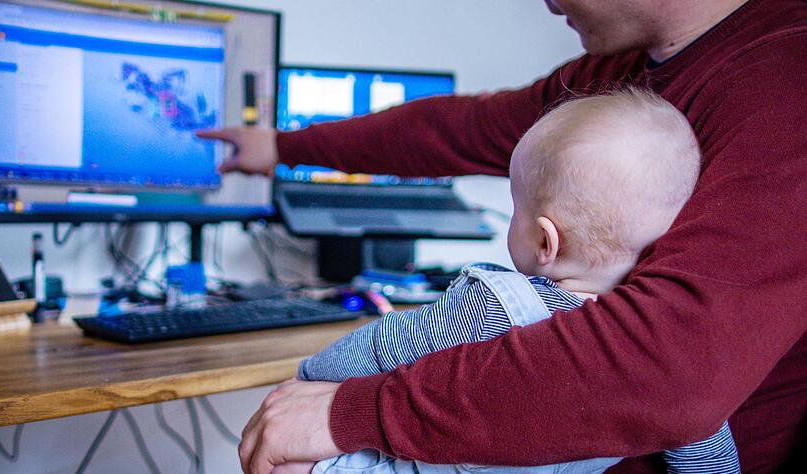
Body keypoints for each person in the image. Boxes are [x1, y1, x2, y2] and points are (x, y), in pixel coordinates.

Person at [199, 0, 807, 472]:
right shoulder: (620, 74)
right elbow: (458, 130)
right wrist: (282, 147)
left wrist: (344, 410)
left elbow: (672, 374)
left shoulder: (785, 82)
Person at [281, 89, 739, 474]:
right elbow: (707, 450)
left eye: (516, 207)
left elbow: (382, 347)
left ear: (544, 241)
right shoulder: (668, 355)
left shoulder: (495, 308)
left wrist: (310, 377)